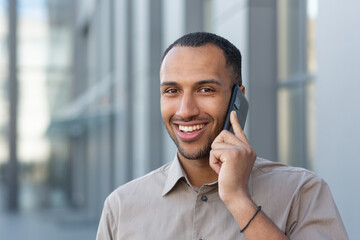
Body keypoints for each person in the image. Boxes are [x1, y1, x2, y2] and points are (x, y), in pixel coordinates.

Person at [96, 32, 348, 239]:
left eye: (206, 89)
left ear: (238, 98)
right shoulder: (121, 208)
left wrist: (239, 200)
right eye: (172, 90)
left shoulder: (302, 193)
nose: (186, 111)